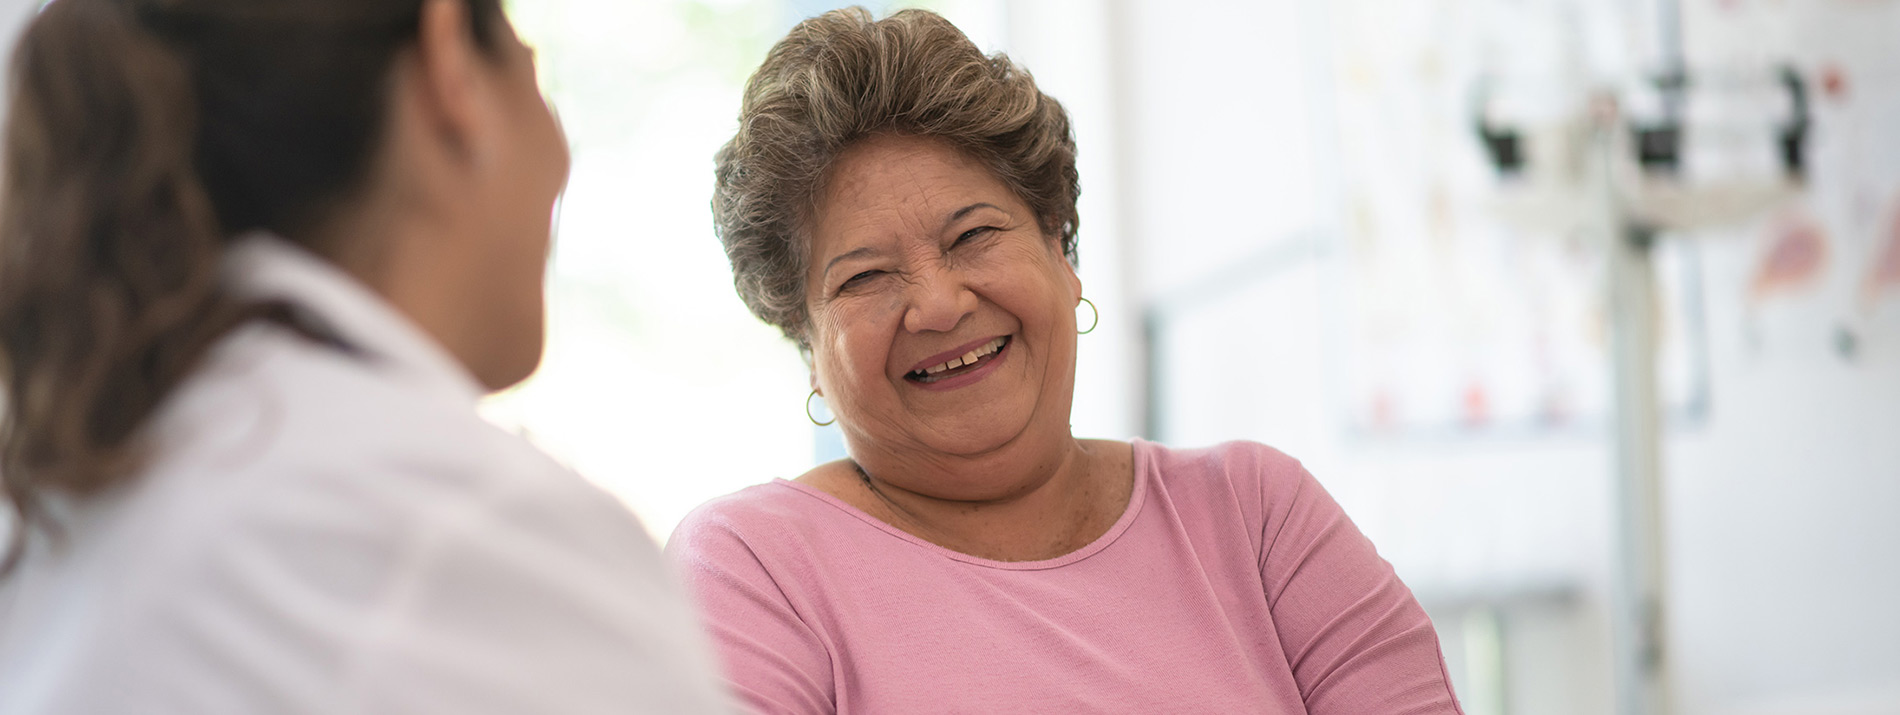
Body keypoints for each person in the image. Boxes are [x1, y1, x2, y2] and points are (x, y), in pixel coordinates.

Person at [668, 7, 1464, 714]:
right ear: (807, 344)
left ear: (1060, 248)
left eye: (974, 235)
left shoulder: (1258, 514)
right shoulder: (751, 568)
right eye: (865, 276)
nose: (939, 304)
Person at [0, 1, 726, 713]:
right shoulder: (454, 523)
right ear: (452, 66)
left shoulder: (79, 496)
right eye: (533, 75)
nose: (562, 155)